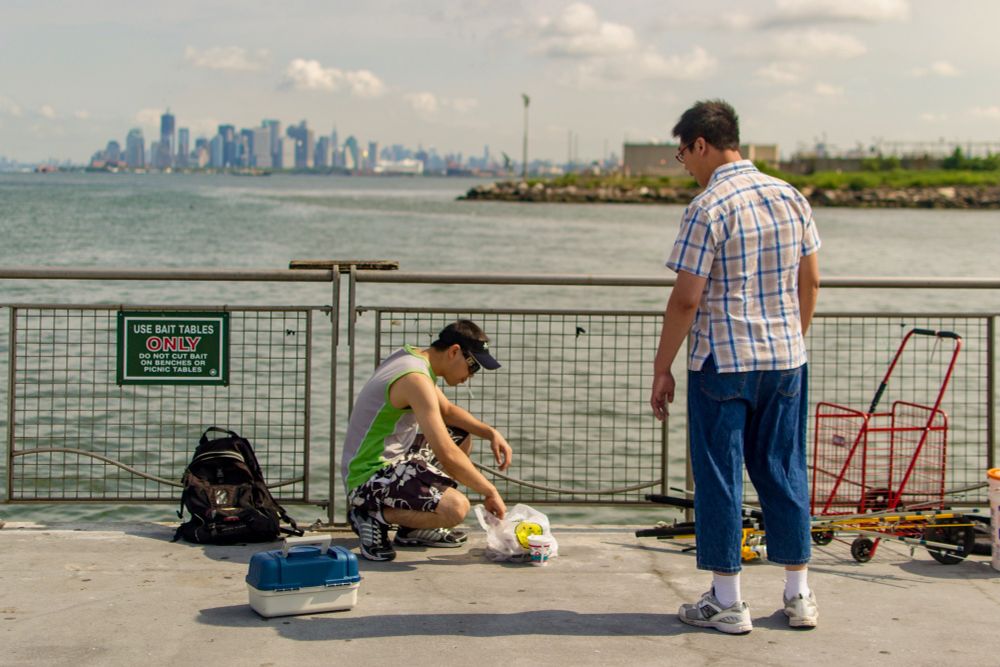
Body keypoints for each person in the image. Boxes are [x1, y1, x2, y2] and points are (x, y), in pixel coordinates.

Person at [650, 100, 821, 634]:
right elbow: (811, 281)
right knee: (784, 470)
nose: (686, 165)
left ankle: (727, 600)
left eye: (683, 155)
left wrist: (662, 368)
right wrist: (791, 338)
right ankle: (798, 595)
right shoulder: (790, 196)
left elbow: (685, 300)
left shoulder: (708, 207)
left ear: (701, 144)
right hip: (785, 360)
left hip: (722, 362)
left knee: (720, 477)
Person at [342, 319, 512, 561]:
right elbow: (447, 455)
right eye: (473, 367)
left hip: (391, 457)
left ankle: (412, 528)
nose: (471, 377)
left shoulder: (414, 358)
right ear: (454, 352)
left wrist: (491, 433)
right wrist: (490, 490)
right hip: (368, 475)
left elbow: (447, 411)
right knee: (455, 509)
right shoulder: (415, 378)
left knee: (460, 434)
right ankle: (370, 514)